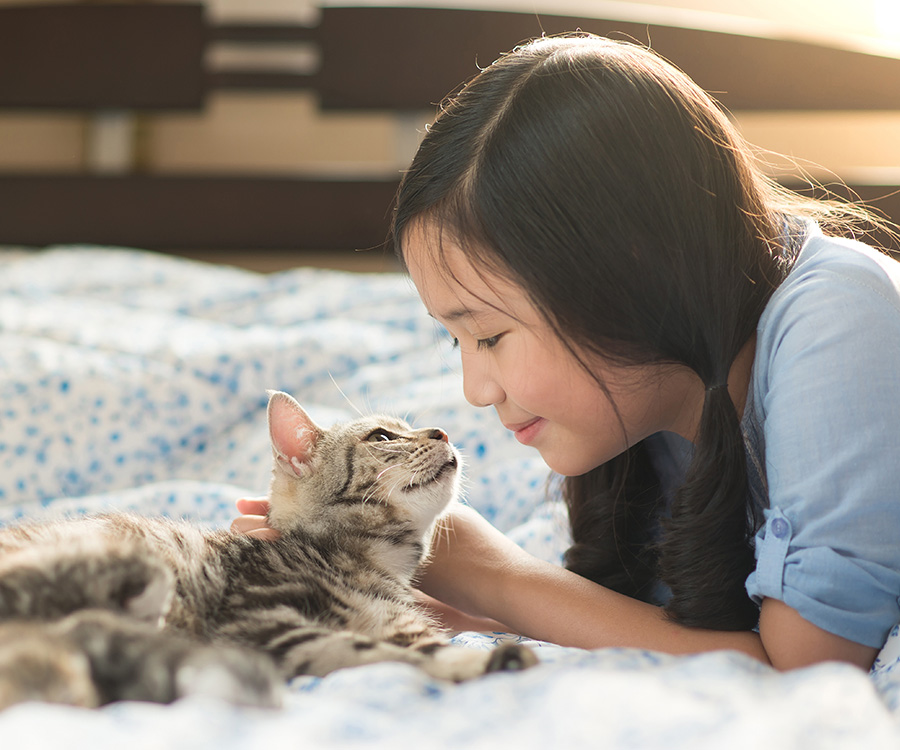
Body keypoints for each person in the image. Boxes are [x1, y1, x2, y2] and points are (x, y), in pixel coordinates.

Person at [234, 34, 900, 671]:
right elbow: (688, 621)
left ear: (626, 275)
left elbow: (804, 667)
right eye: (455, 339)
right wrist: (466, 605)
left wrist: (495, 574)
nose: (476, 389)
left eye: (489, 336)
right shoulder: (658, 396)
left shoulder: (842, 323)